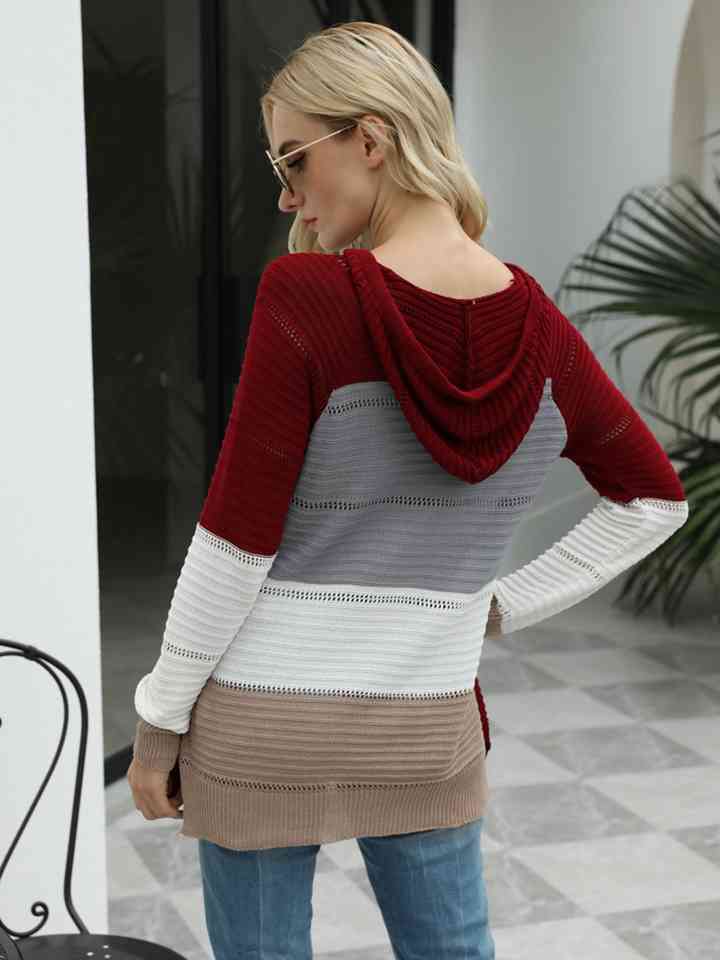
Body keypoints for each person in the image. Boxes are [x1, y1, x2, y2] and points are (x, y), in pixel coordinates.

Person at [127, 20, 689, 960]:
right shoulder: (541, 332)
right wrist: (492, 607)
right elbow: (654, 499)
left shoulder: (307, 298)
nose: (288, 195)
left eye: (295, 160)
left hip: (262, 731)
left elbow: (235, 543)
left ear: (372, 140)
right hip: (426, 728)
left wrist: (158, 721)